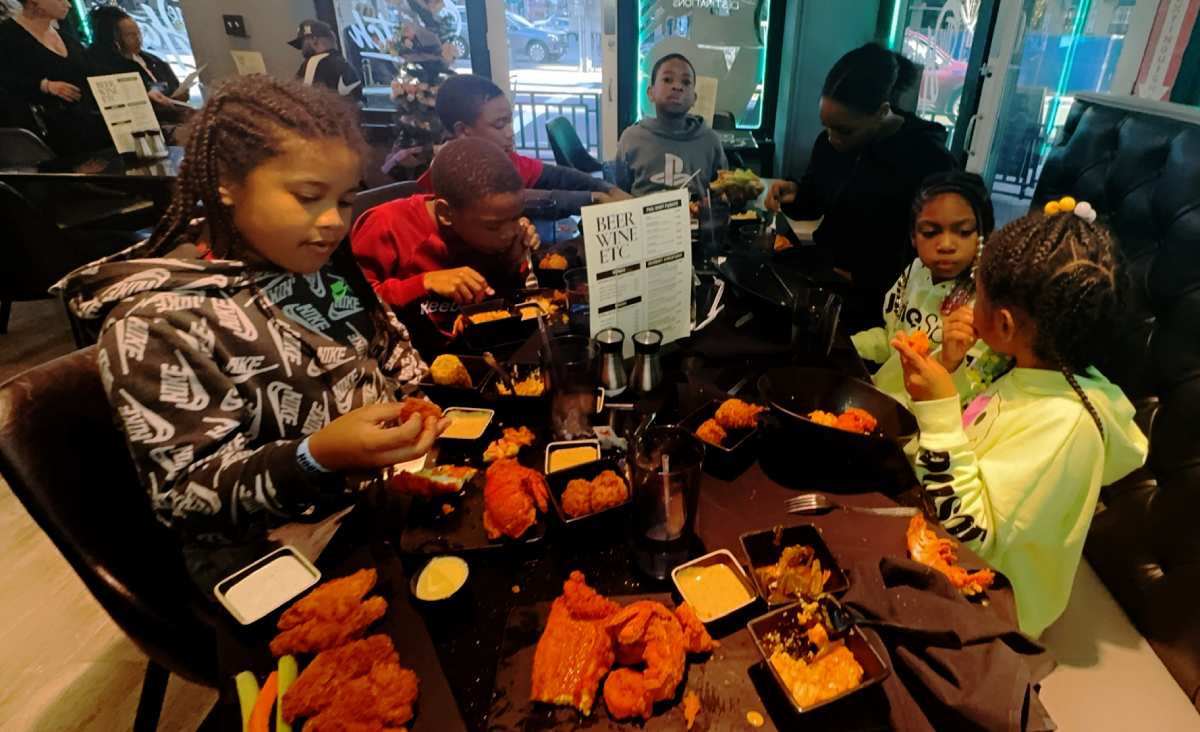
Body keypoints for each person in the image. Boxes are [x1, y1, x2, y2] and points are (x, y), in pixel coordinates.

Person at [54, 76, 444, 592]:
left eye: (346, 201)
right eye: (308, 196)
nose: (332, 222)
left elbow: (397, 361)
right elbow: (187, 496)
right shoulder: (157, 323)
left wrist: (419, 399)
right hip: (268, 558)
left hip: (379, 505)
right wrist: (316, 455)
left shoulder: (325, 268)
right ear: (226, 184)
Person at [891, 201, 1148, 637]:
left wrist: (937, 409)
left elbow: (974, 534)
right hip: (944, 545)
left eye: (977, 292)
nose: (968, 303)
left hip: (991, 611)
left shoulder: (1065, 428)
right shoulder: (1026, 371)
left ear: (1005, 324)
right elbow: (976, 443)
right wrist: (947, 370)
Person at [765, 43, 956, 332]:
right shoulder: (829, 144)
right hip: (827, 276)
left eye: (843, 130)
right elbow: (814, 202)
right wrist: (794, 194)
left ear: (881, 112)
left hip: (882, 300)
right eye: (826, 126)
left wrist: (865, 277)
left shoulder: (929, 160)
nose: (831, 138)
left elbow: (932, 252)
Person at [352, 137, 540, 355]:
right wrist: (424, 283)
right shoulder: (387, 226)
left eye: (515, 217)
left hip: (485, 351)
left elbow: (499, 302)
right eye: (493, 227)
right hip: (414, 363)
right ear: (445, 213)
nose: (508, 233)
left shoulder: (489, 222)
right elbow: (346, 302)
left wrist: (513, 261)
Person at [852, 171, 1009, 406]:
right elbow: (891, 338)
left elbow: (977, 385)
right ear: (914, 236)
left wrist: (950, 363)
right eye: (930, 232)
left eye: (963, 231)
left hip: (933, 415)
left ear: (983, 235)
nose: (946, 245)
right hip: (884, 398)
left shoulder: (986, 302)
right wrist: (848, 345)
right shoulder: (915, 271)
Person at [419, 73, 629, 213]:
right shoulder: (447, 175)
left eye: (509, 121)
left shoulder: (504, 158)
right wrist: (593, 199)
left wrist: (608, 188)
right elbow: (517, 199)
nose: (510, 133)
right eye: (499, 125)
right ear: (463, 131)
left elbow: (554, 176)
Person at [0, 0, 111, 155]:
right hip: (42, 133)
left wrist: (135, 89)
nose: (68, 4)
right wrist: (45, 85)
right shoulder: (6, 35)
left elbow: (94, 71)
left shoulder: (67, 38)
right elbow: (6, 79)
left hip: (86, 127)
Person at [616, 53, 727, 196]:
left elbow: (721, 193)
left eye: (686, 82)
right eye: (667, 79)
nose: (677, 87)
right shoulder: (631, 138)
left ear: (694, 98)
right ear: (651, 93)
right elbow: (620, 193)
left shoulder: (710, 141)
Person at [86, 6, 189, 123]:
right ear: (114, 39)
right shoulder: (103, 66)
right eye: (130, 35)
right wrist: (145, 97)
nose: (138, 39)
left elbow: (173, 87)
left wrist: (180, 95)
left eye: (139, 33)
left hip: (175, 116)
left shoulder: (153, 60)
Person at [288, 18, 363, 104]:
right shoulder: (344, 63)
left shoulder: (313, 63)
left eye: (302, 43)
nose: (301, 50)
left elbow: (300, 102)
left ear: (314, 40)